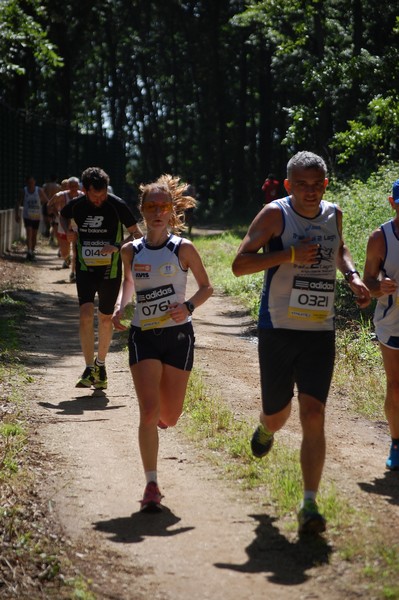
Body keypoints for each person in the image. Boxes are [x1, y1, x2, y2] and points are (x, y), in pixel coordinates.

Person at [232, 151, 370, 534]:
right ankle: (265, 427)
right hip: (278, 328)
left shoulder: (334, 212)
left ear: (325, 184)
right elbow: (239, 264)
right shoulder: (275, 215)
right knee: (278, 415)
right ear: (288, 185)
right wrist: (290, 254)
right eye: (301, 185)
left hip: (319, 331)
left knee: (313, 414)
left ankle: (309, 505)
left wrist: (353, 276)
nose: (310, 192)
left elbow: (339, 248)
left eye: (317, 185)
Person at [112, 174, 213, 511]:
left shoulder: (183, 248)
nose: (157, 212)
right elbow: (128, 283)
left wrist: (187, 306)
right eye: (151, 206)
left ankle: (159, 418)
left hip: (179, 335)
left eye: (163, 206)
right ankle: (151, 484)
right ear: (141, 210)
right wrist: (119, 307)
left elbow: (206, 288)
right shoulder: (130, 250)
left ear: (172, 211)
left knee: (169, 414)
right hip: (144, 336)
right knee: (148, 410)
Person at [60, 166, 143, 390]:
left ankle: (101, 365)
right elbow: (62, 215)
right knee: (85, 314)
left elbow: (137, 235)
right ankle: (89, 368)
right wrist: (68, 231)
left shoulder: (116, 205)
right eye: (95, 196)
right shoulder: (76, 205)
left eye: (103, 194)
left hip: (111, 272)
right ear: (85, 191)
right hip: (86, 269)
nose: (100, 200)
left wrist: (116, 246)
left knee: (105, 318)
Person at [363, 178, 399, 471]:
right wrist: (380, 287)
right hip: (392, 323)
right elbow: (367, 285)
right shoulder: (380, 238)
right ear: (392, 203)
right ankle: (396, 443)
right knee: (396, 387)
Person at [48, 176, 84, 281]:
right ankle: (66, 258)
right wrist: (56, 212)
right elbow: (50, 204)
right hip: (63, 226)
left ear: (78, 186)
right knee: (64, 252)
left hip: (76, 227)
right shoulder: (62, 196)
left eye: (75, 186)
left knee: (76, 251)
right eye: (71, 186)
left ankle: (73, 273)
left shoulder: (82, 196)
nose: (73, 188)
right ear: (68, 186)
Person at [15, 175, 49, 260]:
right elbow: (18, 203)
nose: (30, 184)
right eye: (29, 183)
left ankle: (32, 251)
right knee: (29, 233)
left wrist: (41, 204)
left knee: (34, 235)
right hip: (27, 216)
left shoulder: (39, 190)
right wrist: (16, 214)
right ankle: (29, 251)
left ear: (34, 182)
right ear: (27, 183)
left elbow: (46, 200)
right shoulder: (24, 191)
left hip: (36, 216)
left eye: (32, 182)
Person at [42, 175, 61, 241]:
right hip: (55, 204)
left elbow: (42, 193)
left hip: (47, 203)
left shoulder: (46, 185)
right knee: (54, 222)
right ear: (56, 179)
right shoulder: (58, 186)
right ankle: (52, 235)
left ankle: (48, 229)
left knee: (46, 219)